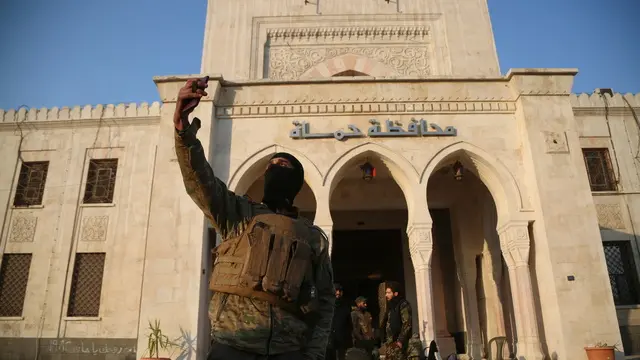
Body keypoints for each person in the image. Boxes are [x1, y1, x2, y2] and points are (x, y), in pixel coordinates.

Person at [173, 78, 336, 360]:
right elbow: (200, 180)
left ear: (296, 182)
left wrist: (313, 355)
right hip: (233, 344)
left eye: (283, 166)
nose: (274, 169)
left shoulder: (311, 237)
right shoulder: (238, 215)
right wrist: (182, 130)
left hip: (289, 349)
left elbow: (325, 302)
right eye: (270, 167)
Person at [382, 281, 412, 360]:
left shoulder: (403, 304)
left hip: (398, 343)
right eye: (386, 293)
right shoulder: (391, 306)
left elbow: (407, 323)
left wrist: (400, 340)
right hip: (390, 343)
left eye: (389, 293)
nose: (386, 295)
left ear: (395, 293)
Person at [327, 284, 352, 360]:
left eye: (339, 291)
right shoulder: (326, 306)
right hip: (328, 340)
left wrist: (347, 340)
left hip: (341, 340)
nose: (337, 293)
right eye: (336, 290)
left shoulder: (345, 307)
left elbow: (349, 325)